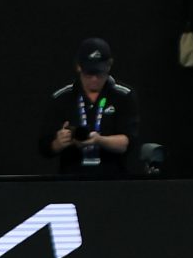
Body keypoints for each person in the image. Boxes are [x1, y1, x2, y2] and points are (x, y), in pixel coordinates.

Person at [43, 36, 137, 174]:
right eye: (89, 73)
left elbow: (127, 142)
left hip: (113, 178)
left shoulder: (123, 95)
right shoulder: (62, 97)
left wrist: (99, 140)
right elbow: (45, 148)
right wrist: (59, 142)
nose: (94, 79)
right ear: (79, 67)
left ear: (109, 65)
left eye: (99, 73)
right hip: (71, 178)